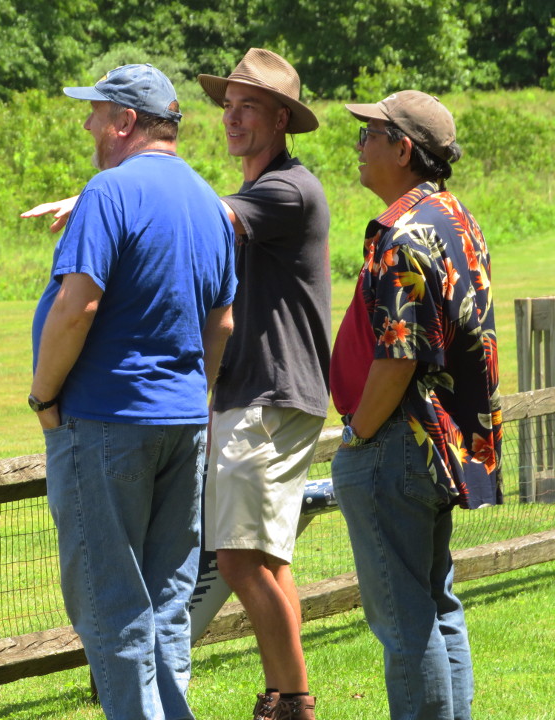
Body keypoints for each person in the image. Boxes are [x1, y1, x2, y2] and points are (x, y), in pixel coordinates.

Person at [29, 63, 235, 720]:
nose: (88, 124)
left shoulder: (108, 193)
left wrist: (43, 397)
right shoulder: (209, 201)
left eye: (95, 112)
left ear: (125, 122)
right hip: (182, 422)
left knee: (111, 603)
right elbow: (222, 321)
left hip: (108, 420)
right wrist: (194, 398)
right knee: (168, 604)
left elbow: (75, 309)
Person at [330, 91, 502, 720]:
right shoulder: (456, 217)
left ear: (403, 148)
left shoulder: (398, 232)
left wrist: (358, 434)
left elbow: (400, 355)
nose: (359, 144)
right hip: (449, 442)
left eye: (370, 133)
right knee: (438, 604)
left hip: (400, 442)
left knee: (406, 625)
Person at [195, 48, 330, 720]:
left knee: (238, 561)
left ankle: (295, 701)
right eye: (227, 104)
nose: (232, 117)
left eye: (248, 106)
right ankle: (281, 693)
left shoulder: (287, 189)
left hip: (269, 396)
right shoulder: (265, 191)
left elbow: (201, 218)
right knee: (270, 564)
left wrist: (113, 198)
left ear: (281, 119)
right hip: (265, 393)